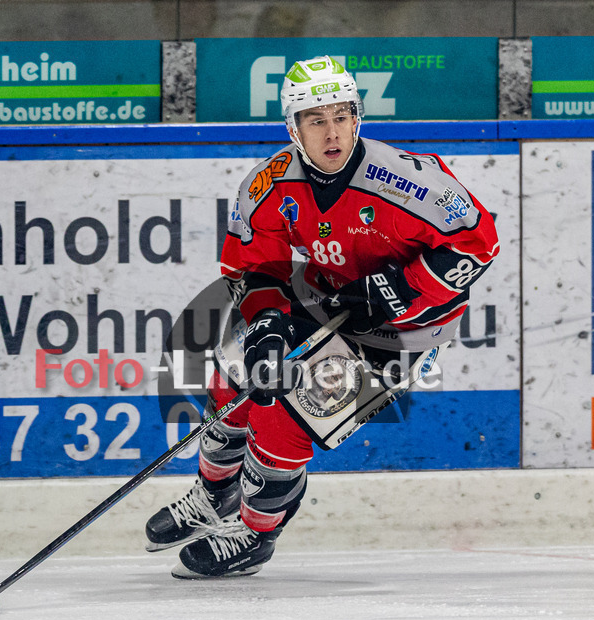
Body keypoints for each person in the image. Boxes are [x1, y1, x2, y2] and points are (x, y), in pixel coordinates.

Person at [145, 55, 500, 579]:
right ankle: (213, 495)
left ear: (358, 118)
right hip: (326, 299)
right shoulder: (270, 185)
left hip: (403, 331)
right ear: (293, 128)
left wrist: (396, 289)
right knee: (236, 383)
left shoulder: (407, 181)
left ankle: (255, 534)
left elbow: (479, 244)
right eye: (316, 119)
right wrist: (266, 324)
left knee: (282, 418)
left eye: (341, 115)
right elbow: (253, 265)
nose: (332, 132)